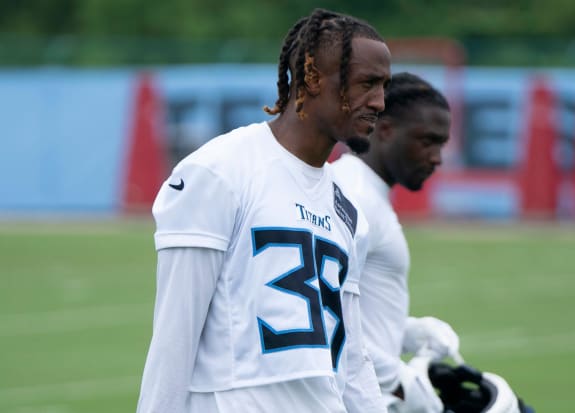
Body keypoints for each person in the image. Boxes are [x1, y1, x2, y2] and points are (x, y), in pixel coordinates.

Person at [136, 8, 391, 413]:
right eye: (367, 84)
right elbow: (174, 338)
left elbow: (352, 358)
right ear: (312, 78)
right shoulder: (220, 171)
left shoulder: (346, 208)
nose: (379, 102)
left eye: (383, 86)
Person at [331, 73, 458, 413]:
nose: (436, 158)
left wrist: (408, 332)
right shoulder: (356, 198)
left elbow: (354, 309)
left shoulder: (362, 191)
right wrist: (399, 380)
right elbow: (323, 316)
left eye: (441, 145)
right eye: (426, 141)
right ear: (384, 130)